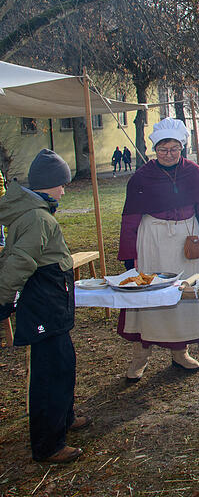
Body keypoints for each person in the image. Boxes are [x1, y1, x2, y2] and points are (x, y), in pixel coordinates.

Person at [117, 118, 199, 381]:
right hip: (153, 240)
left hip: (187, 240)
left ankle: (180, 352)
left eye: (174, 149)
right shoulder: (142, 177)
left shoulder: (194, 172)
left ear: (181, 148)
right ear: (155, 149)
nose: (169, 154)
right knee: (149, 295)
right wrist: (129, 254)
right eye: (163, 149)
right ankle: (140, 356)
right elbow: (130, 217)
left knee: (185, 294)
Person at [0, 150, 89, 463]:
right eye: (62, 184)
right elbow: (19, 262)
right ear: (49, 184)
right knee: (50, 373)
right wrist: (2, 299)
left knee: (63, 364)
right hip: (44, 304)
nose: (64, 190)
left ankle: (64, 417)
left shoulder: (37, 212)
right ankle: (48, 444)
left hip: (52, 301)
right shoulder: (38, 218)